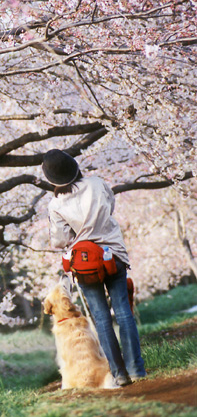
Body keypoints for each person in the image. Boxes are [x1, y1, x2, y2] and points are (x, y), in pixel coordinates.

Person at [42, 148, 146, 386]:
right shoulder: (97, 184)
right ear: (75, 167)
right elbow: (110, 207)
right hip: (113, 254)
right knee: (123, 312)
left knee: (101, 318)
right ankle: (136, 369)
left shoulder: (55, 205)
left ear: (51, 180)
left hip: (86, 265)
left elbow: (58, 241)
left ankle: (119, 374)